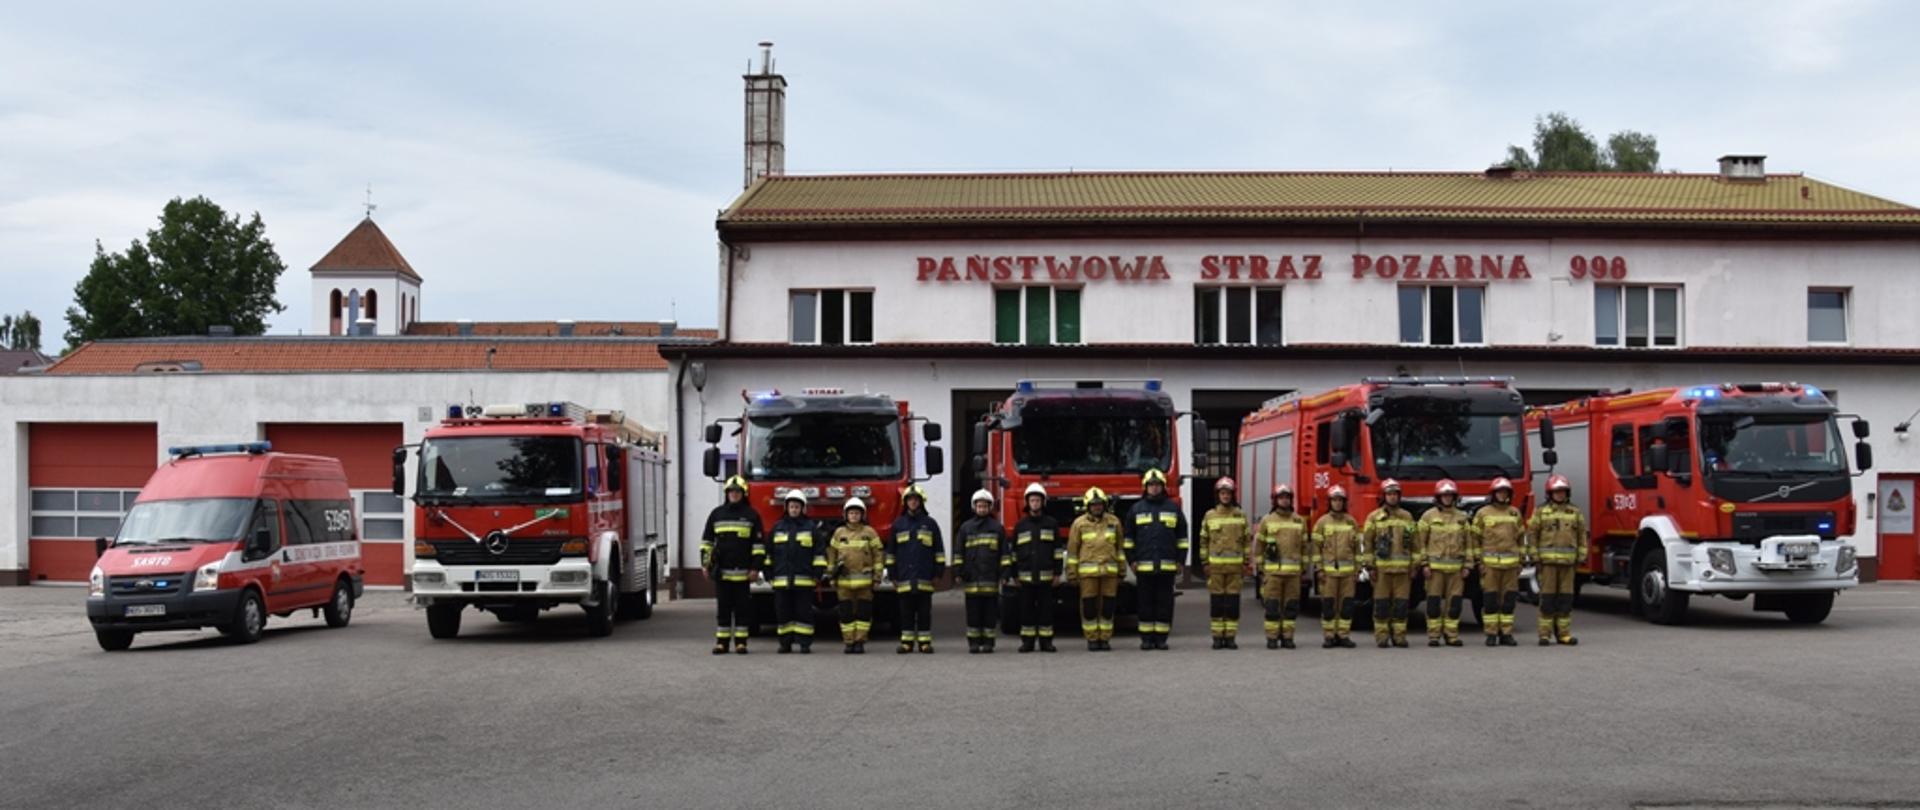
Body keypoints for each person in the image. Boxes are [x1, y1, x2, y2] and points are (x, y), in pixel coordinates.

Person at [700, 475, 765, 655]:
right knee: (723, 609)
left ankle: (741, 643)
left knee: (743, 609)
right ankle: (722, 643)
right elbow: (706, 543)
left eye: (737, 491)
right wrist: (705, 565)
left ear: (743, 494)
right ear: (726, 493)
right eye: (731, 491)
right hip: (722, 573)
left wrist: (755, 568)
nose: (734, 494)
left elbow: (759, 546)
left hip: (744, 574)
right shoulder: (716, 514)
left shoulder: (752, 515)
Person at [1126, 468, 1189, 650]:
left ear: (1163, 487)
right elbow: (1129, 540)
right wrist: (1132, 561)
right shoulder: (1136, 510)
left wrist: (1180, 561)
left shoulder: (1173, 509)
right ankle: (1146, 639)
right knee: (1145, 603)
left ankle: (1161, 638)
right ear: (1145, 487)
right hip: (1143, 568)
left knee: (1165, 604)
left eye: (1157, 485)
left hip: (1167, 568)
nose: (1154, 488)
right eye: (1151, 485)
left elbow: (1182, 539)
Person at [1527, 474, 1589, 646]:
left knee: (1565, 600)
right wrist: (1535, 557)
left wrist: (1582, 556)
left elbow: (1582, 535)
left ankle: (1564, 634)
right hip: (1547, 565)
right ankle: (1544, 635)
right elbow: (1532, 535)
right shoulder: (1541, 512)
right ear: (1550, 493)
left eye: (1563, 492)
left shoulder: (1575, 512)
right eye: (1557, 492)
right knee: (1547, 600)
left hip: (1568, 565)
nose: (1560, 495)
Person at [886, 484, 946, 654]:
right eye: (910, 500)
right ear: (905, 502)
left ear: (921, 502)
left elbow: (939, 551)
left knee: (924, 612)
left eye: (915, 500)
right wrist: (892, 575)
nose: (913, 502)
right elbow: (891, 552)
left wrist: (938, 573)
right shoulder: (898, 524)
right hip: (904, 579)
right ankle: (906, 643)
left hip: (925, 579)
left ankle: (924, 643)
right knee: (905, 613)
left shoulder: (930, 524)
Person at [766, 490, 825, 654]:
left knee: (804, 613)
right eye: (791, 506)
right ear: (786, 508)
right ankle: (785, 643)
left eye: (797, 506)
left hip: (804, 581)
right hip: (781, 581)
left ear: (802, 508)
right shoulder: (777, 528)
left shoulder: (811, 528)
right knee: (783, 613)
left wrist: (817, 574)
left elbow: (819, 553)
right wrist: (768, 574)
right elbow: (769, 553)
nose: (794, 509)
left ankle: (804, 643)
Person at [1066, 487, 1125, 651]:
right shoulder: (1079, 524)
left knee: (1107, 607)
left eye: (1099, 504)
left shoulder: (1114, 522)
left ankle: (1105, 639)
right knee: (1089, 608)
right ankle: (1092, 639)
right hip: (1088, 575)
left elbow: (1120, 548)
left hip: (1109, 574)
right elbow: (1072, 551)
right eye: (1093, 505)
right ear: (1088, 506)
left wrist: (1122, 571)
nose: (1097, 507)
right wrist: (1071, 574)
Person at [1252, 484, 1310, 649]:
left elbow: (1305, 547)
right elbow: (1259, 547)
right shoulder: (1267, 521)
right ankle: (1272, 638)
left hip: (1293, 574)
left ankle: (1288, 637)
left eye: (1287, 498)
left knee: (1291, 607)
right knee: (1272, 606)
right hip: (1273, 574)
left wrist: (1303, 567)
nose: (1284, 501)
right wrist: (1261, 568)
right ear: (1275, 500)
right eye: (1281, 498)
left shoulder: (1299, 521)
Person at [1415, 479, 1472, 647]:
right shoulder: (1428, 516)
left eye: (1450, 496)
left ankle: (1451, 635)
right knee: (1433, 603)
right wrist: (1424, 564)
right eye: (1444, 495)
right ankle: (1433, 636)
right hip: (1435, 570)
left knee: (1454, 604)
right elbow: (1421, 543)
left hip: (1456, 570)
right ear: (1438, 497)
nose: (1447, 498)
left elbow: (1469, 544)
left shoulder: (1462, 518)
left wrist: (1468, 565)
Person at [1471, 477, 1526, 647]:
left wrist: (1521, 561)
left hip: (1511, 566)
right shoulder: (1483, 513)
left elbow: (1520, 539)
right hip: (1490, 566)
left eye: (1505, 492)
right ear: (1493, 494)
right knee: (1490, 601)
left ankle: (1506, 634)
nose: (1502, 495)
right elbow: (1475, 539)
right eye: (1499, 492)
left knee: (1508, 602)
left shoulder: (1515, 513)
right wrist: (1478, 561)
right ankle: (1491, 633)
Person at [1362, 479, 1417, 648]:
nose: (1392, 498)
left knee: (1401, 606)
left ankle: (1399, 637)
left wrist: (1414, 566)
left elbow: (1416, 544)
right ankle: (1382, 637)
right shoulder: (1373, 518)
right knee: (1381, 605)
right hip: (1382, 571)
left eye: (1395, 494)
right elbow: (1368, 545)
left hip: (1403, 571)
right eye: (1389, 494)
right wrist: (1370, 567)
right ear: (1383, 496)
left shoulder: (1407, 517)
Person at [826, 498, 884, 654]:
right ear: (846, 515)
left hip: (865, 583)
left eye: (857, 513)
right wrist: (831, 575)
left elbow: (878, 555)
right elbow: (832, 554)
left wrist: (877, 576)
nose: (854, 516)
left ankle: (860, 641)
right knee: (846, 614)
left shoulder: (869, 533)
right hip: (844, 583)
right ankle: (848, 642)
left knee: (864, 614)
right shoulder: (839, 533)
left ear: (862, 515)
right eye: (851, 513)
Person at [1010, 483, 1063, 653]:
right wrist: (1014, 575)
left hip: (1046, 578)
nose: (1034, 504)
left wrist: (1057, 573)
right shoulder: (1020, 526)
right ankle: (1028, 642)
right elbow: (1014, 553)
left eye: (1037, 500)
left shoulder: (1052, 524)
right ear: (1027, 503)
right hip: (1025, 578)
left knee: (1046, 611)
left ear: (1043, 502)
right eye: (1032, 500)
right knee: (1026, 612)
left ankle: (1046, 642)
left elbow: (1057, 551)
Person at [955, 489, 1009, 654]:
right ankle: (973, 643)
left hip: (990, 579)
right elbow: (959, 553)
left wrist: (1005, 574)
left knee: (989, 614)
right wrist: (958, 572)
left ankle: (988, 643)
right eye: (979, 506)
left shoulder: (997, 528)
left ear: (990, 507)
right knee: (973, 614)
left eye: (985, 506)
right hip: (972, 580)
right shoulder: (965, 528)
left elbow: (1004, 554)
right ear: (974, 507)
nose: (982, 509)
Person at [1199, 478, 1250, 650]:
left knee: (1233, 604)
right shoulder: (1209, 515)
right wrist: (1205, 563)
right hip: (1216, 569)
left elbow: (1246, 541)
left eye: (1228, 493)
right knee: (1217, 603)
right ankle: (1217, 637)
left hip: (1235, 569)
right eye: (1222, 493)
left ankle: (1230, 637)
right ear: (1217, 495)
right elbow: (1203, 541)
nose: (1225, 496)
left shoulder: (1240, 515)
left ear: (1232, 495)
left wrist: (1246, 563)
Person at [1311, 485, 1363, 649]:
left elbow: (1357, 549)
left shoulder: (1351, 522)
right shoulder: (1322, 522)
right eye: (1335, 500)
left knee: (1346, 606)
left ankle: (1343, 635)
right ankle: (1329, 636)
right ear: (1330, 502)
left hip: (1348, 574)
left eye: (1340, 500)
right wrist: (1319, 569)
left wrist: (1358, 569)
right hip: (1328, 574)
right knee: (1329, 605)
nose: (1338, 503)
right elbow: (1316, 548)